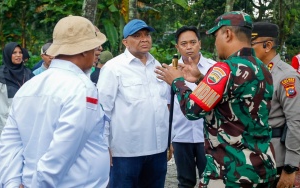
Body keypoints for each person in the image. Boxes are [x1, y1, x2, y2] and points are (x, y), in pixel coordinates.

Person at [155, 11, 277, 187]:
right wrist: (200, 79)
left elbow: (192, 109)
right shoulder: (262, 68)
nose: (215, 42)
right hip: (262, 169)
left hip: (231, 172)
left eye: (216, 36)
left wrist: (177, 81)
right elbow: (230, 96)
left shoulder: (224, 69)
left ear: (227, 34)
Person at [0, 16, 109, 188]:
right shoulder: (82, 89)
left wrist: (11, 183)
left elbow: (10, 142)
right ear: (85, 50)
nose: (97, 53)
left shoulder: (29, 87)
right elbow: (62, 152)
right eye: (95, 48)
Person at [97, 19, 169, 188]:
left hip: (157, 151)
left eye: (147, 35)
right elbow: (102, 110)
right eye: (137, 36)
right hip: (126, 152)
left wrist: (168, 142)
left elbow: (164, 105)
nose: (144, 39)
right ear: (125, 42)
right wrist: (104, 146)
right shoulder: (114, 68)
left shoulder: (156, 65)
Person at [251, 22, 300, 188]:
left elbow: (296, 122)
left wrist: (290, 167)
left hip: (276, 159)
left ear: (268, 45)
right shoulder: (254, 72)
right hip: (254, 157)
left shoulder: (286, 77)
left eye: (251, 44)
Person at [168, 26, 215, 188]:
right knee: (185, 182)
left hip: (208, 137)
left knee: (210, 180)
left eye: (193, 42)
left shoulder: (213, 68)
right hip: (181, 135)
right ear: (177, 47)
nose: (189, 47)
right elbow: (167, 107)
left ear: (200, 44)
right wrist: (169, 139)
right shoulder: (169, 71)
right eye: (184, 43)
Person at [0, 42, 34, 188]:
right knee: (1, 150)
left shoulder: (28, 73)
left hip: (24, 119)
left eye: (19, 52)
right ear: (7, 55)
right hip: (4, 119)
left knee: (19, 150)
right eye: (14, 53)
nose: (18, 55)